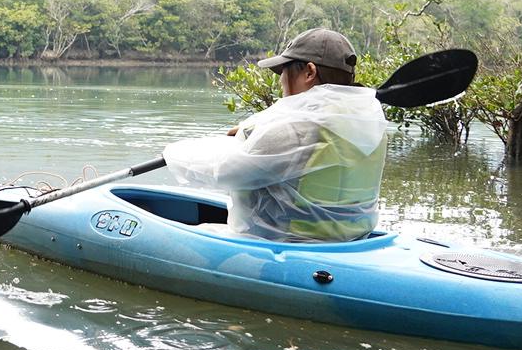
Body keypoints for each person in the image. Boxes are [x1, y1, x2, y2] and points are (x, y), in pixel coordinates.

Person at [163, 28, 388, 242]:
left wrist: (172, 152)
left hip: (286, 243)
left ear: (309, 72)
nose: (281, 80)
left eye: (284, 71)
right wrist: (251, 130)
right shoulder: (369, 124)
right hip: (351, 240)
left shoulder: (294, 131)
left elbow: (221, 172)